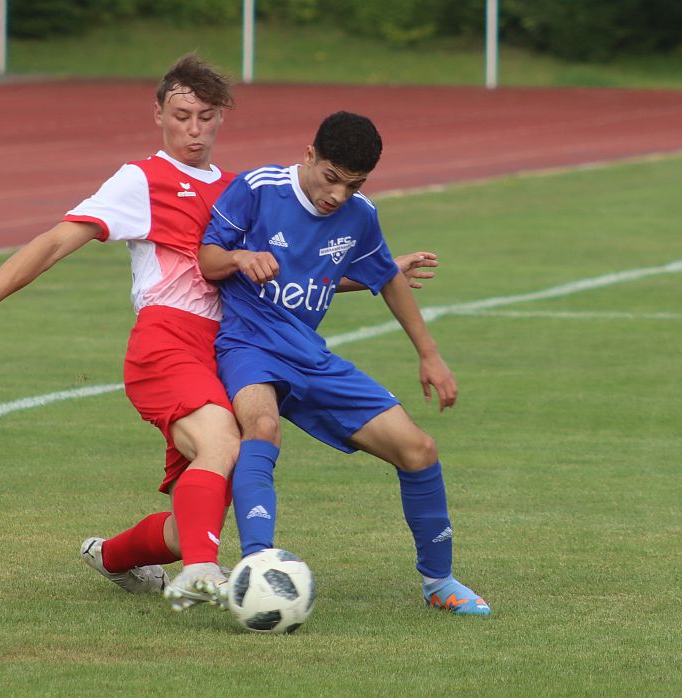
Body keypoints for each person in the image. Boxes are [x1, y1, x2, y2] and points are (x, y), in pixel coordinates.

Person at [0, 55, 437, 614]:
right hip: (168, 339)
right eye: (182, 116)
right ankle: (204, 573)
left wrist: (373, 275)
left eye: (205, 117)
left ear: (222, 118)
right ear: (159, 114)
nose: (193, 130)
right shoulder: (141, 180)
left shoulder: (234, 186)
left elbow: (277, 274)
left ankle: (115, 557)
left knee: (199, 510)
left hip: (224, 350)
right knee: (225, 445)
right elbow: (56, 240)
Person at [197, 111, 490, 616]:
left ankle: (439, 582)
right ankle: (258, 567)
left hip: (310, 357)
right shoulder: (258, 187)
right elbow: (207, 258)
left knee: (418, 449)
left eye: (352, 186)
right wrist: (241, 259)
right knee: (262, 427)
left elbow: (386, 278)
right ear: (309, 155)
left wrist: (430, 355)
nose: (337, 195)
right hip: (248, 345)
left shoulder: (361, 215)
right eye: (331, 178)